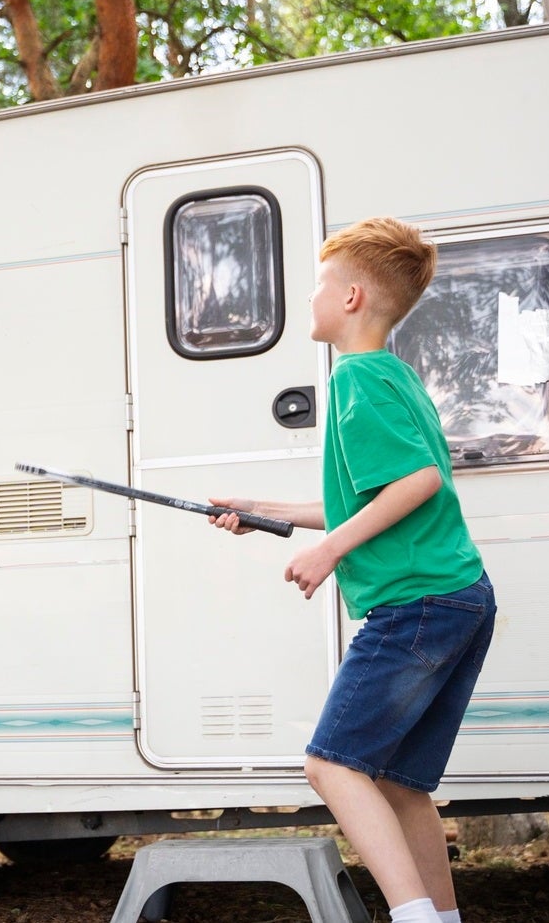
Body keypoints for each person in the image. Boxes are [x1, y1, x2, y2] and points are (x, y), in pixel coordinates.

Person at [209, 217, 496, 923]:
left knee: (332, 763)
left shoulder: (357, 379)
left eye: (318, 285)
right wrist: (258, 508)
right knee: (399, 782)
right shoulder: (393, 375)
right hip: (460, 595)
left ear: (352, 297)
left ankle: (413, 916)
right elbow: (359, 499)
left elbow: (418, 482)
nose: (309, 298)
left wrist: (330, 550)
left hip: (417, 602)